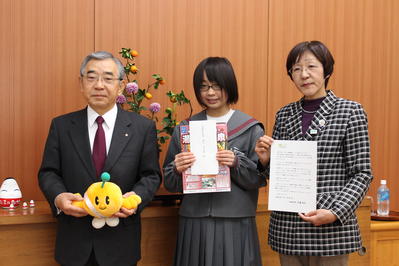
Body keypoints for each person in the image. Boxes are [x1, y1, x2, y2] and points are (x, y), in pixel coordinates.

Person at [255, 41, 373, 266]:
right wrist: (265, 161)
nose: (304, 75)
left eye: (311, 66)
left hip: (330, 229)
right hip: (289, 229)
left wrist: (336, 212)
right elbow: (281, 175)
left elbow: (362, 173)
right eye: (296, 69)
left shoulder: (350, 111)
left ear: (327, 70)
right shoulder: (284, 114)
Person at [38, 51, 161, 266]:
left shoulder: (142, 128)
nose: (99, 85)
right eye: (92, 77)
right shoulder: (62, 126)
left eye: (107, 78)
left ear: (121, 86)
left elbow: (150, 176)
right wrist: (58, 198)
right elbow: (49, 172)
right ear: (81, 83)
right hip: (74, 243)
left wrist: (136, 199)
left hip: (121, 243)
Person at [163, 57, 265, 266]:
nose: (210, 93)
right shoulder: (186, 129)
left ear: (229, 86)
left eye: (217, 86)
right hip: (195, 220)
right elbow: (170, 183)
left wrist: (237, 163)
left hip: (235, 220)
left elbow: (259, 179)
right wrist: (177, 169)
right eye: (204, 87)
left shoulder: (250, 128)